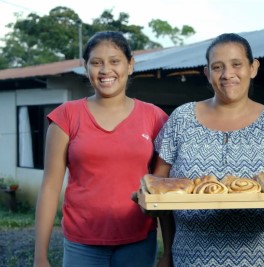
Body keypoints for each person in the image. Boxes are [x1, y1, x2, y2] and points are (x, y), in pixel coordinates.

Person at [152, 33, 264, 267]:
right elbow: (159, 188)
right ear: (207, 73)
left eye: (236, 64)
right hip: (191, 258)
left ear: (253, 68)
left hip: (261, 259)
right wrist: (168, 253)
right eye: (217, 67)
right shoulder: (182, 118)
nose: (227, 75)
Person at [34, 31, 168, 267]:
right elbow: (50, 186)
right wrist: (40, 256)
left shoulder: (155, 117)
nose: (105, 70)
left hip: (138, 241)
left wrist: (168, 252)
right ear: (86, 68)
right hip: (81, 245)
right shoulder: (66, 116)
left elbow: (164, 189)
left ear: (130, 65)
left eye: (115, 61)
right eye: (96, 63)